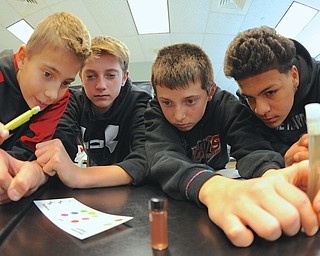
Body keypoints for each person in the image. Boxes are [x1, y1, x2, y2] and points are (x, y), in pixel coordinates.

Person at [144, 43, 320, 247]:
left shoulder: (226, 106)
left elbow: (252, 146)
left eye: (190, 101)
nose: (178, 115)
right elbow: (162, 156)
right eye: (167, 102)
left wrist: (272, 176)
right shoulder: (154, 111)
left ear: (210, 92)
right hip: (183, 203)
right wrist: (216, 189)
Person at [35, 36, 152, 189]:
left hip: (131, 191)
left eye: (110, 75)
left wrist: (78, 176)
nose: (101, 85)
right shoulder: (71, 101)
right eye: (90, 76)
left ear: (124, 78)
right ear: (81, 78)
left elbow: (144, 160)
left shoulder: (140, 102)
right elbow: (59, 147)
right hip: (94, 185)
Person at [0, 12, 91, 204]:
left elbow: (29, 149)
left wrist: (20, 173)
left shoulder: (60, 100)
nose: (53, 94)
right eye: (48, 74)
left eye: (66, 82)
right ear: (23, 58)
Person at [224, 26, 320, 166]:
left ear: (294, 76)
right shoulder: (244, 104)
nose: (260, 110)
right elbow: (254, 148)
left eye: (270, 92)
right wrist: (286, 157)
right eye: (250, 98)